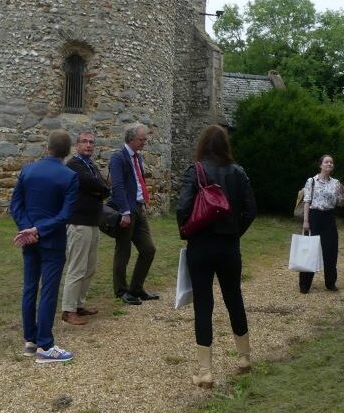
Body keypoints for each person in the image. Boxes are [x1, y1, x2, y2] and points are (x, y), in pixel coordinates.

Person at [176, 125, 257, 388]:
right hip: (229, 245)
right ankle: (244, 357)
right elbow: (251, 210)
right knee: (234, 297)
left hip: (200, 245)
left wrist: (188, 232)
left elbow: (183, 208)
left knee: (203, 303)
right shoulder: (238, 172)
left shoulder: (195, 171)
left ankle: (205, 371)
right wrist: (235, 232)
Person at [10, 130, 80, 364]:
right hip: (51, 240)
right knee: (48, 291)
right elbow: (65, 214)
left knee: (30, 288)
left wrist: (27, 228)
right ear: (68, 151)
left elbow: (15, 205)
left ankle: (30, 340)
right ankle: (45, 346)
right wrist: (38, 229)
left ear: (47, 147)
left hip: (29, 239)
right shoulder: (69, 176)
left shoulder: (27, 170)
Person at [60, 131, 109, 326]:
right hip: (79, 223)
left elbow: (103, 185)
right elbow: (94, 183)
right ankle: (68, 310)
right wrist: (100, 189)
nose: (88, 145)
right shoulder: (74, 165)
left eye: (91, 142)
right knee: (77, 267)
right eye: (85, 142)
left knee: (89, 267)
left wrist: (100, 189)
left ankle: (79, 305)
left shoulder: (91, 165)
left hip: (92, 222)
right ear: (77, 145)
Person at [109, 122, 159, 305]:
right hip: (127, 210)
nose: (144, 142)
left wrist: (140, 206)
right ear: (131, 139)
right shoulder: (118, 158)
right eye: (141, 139)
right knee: (123, 250)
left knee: (148, 249)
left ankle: (136, 288)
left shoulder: (138, 158)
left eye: (145, 139)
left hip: (138, 208)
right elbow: (118, 187)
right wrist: (124, 211)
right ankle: (121, 291)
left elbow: (137, 183)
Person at [299, 154, 344, 293]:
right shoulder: (311, 181)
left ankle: (330, 283)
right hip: (315, 216)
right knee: (310, 250)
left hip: (329, 217)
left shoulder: (336, 183)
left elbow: (340, 203)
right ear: (320, 165)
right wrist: (306, 221)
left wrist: (343, 195)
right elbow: (307, 201)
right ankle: (304, 284)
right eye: (326, 162)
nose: (329, 164)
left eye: (331, 162)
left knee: (330, 251)